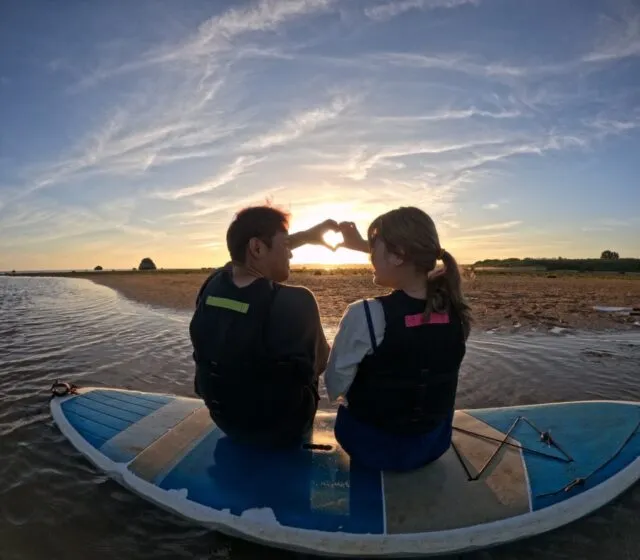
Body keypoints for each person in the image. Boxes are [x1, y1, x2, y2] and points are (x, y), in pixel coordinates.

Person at [325, 207, 472, 471]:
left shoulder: (366, 314)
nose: (370, 258)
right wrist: (369, 246)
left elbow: (335, 385)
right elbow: (407, 268)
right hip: (433, 444)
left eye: (373, 249)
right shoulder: (457, 309)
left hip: (369, 447)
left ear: (398, 255)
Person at [189, 204, 338, 448]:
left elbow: (239, 257)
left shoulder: (212, 284)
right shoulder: (296, 301)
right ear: (257, 247)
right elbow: (319, 367)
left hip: (225, 420)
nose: (291, 254)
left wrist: (308, 236)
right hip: (281, 429)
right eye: (286, 246)